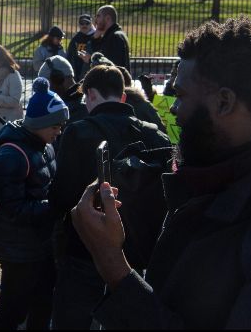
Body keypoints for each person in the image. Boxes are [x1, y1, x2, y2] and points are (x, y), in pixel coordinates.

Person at [71, 17, 251, 329]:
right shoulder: (214, 173)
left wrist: (113, 266)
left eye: (180, 95)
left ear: (224, 102)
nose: (173, 109)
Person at [48, 64, 170, 329]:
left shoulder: (78, 132)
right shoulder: (155, 134)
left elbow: (62, 196)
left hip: (85, 250)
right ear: (123, 96)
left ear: (90, 94)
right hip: (136, 255)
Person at [0, 77, 69, 330]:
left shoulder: (44, 145)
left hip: (39, 242)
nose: (59, 131)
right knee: (13, 309)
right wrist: (55, 206)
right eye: (55, 126)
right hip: (18, 248)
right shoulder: (11, 156)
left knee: (43, 302)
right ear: (38, 123)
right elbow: (12, 208)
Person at [38, 55, 88, 133]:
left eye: (47, 83)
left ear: (59, 79)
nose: (46, 90)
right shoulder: (69, 100)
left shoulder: (80, 107)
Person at [89, 5, 131, 74]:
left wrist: (90, 60)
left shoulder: (115, 37)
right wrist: (95, 39)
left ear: (108, 18)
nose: (95, 20)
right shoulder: (110, 36)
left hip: (113, 82)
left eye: (98, 16)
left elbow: (113, 65)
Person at [66, 14, 96, 80]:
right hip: (77, 74)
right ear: (79, 25)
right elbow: (69, 56)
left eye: (87, 23)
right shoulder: (76, 38)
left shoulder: (96, 37)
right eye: (82, 23)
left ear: (91, 24)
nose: (84, 25)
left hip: (93, 72)